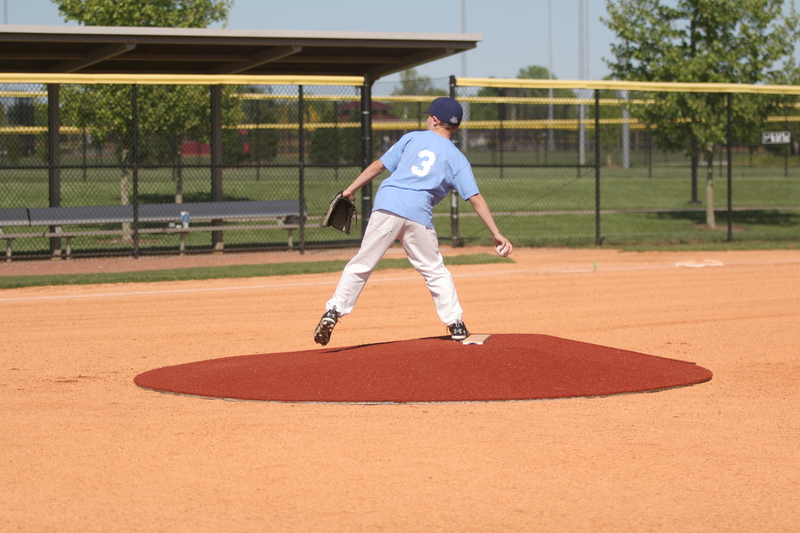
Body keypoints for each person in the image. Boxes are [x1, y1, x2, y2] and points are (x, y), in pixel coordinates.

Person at [313, 96, 512, 346]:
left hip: (387, 205)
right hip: (418, 214)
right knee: (434, 270)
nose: (427, 119)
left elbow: (378, 166)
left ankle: (333, 311)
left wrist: (350, 190)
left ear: (435, 120)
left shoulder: (412, 137)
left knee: (361, 264)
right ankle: (456, 324)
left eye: (429, 116)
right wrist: (496, 232)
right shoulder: (457, 157)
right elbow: (475, 198)